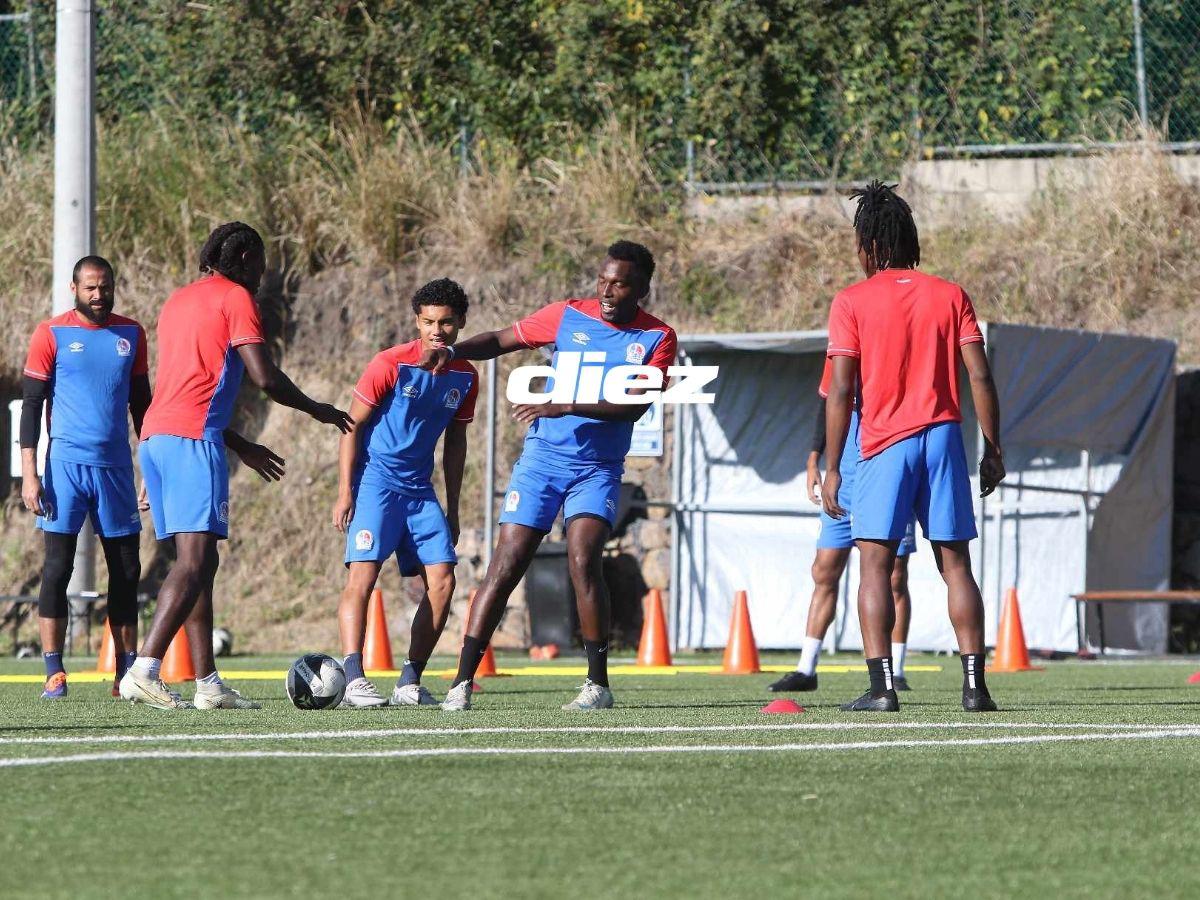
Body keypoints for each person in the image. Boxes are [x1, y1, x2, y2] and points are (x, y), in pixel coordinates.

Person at [421, 241, 677, 712]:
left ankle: (596, 685)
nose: (606, 290)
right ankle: (461, 683)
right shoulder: (567, 316)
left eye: (619, 283)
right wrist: (453, 351)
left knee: (583, 560)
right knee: (506, 564)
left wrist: (565, 404)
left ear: (641, 288)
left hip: (597, 470)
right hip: (541, 463)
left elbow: (635, 406)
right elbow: (501, 339)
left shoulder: (659, 338)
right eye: (602, 280)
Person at [120, 222, 352, 710]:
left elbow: (187, 386)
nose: (264, 271)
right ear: (244, 258)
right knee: (194, 561)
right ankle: (144, 669)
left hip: (158, 439)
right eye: (261, 261)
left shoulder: (179, 299)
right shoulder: (236, 298)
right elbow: (265, 377)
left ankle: (208, 683)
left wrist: (240, 442)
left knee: (203, 561)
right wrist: (320, 410)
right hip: (191, 441)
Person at [822, 181, 1004, 713]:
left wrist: (834, 466)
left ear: (867, 244)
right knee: (956, 566)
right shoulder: (950, 295)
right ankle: (975, 687)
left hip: (883, 443)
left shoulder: (851, 301)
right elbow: (981, 377)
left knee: (875, 567)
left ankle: (881, 689)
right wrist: (993, 447)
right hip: (944, 437)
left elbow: (840, 391)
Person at [331, 279, 477, 707]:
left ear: (460, 323)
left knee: (444, 582)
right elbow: (350, 427)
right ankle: (354, 676)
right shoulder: (389, 363)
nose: (438, 330)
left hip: (420, 491)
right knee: (362, 577)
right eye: (429, 321)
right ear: (417, 321)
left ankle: (409, 682)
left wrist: (453, 508)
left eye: (447, 322)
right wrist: (345, 493)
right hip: (377, 483)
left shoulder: (466, 376)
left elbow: (456, 443)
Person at [20, 256, 148, 699]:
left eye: (105, 286)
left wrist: (149, 466)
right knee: (58, 568)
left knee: (127, 570)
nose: (99, 294)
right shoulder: (50, 333)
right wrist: (30, 474)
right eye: (90, 287)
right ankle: (54, 671)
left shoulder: (131, 334)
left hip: (115, 470)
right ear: (74, 289)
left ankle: (126, 673)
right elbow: (32, 406)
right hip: (65, 469)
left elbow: (142, 408)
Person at [769, 374, 918, 693]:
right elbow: (828, 400)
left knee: (894, 577)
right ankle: (806, 669)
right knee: (824, 571)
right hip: (843, 485)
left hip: (886, 483)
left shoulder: (898, 356)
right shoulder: (844, 354)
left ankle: (897, 669)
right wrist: (813, 459)